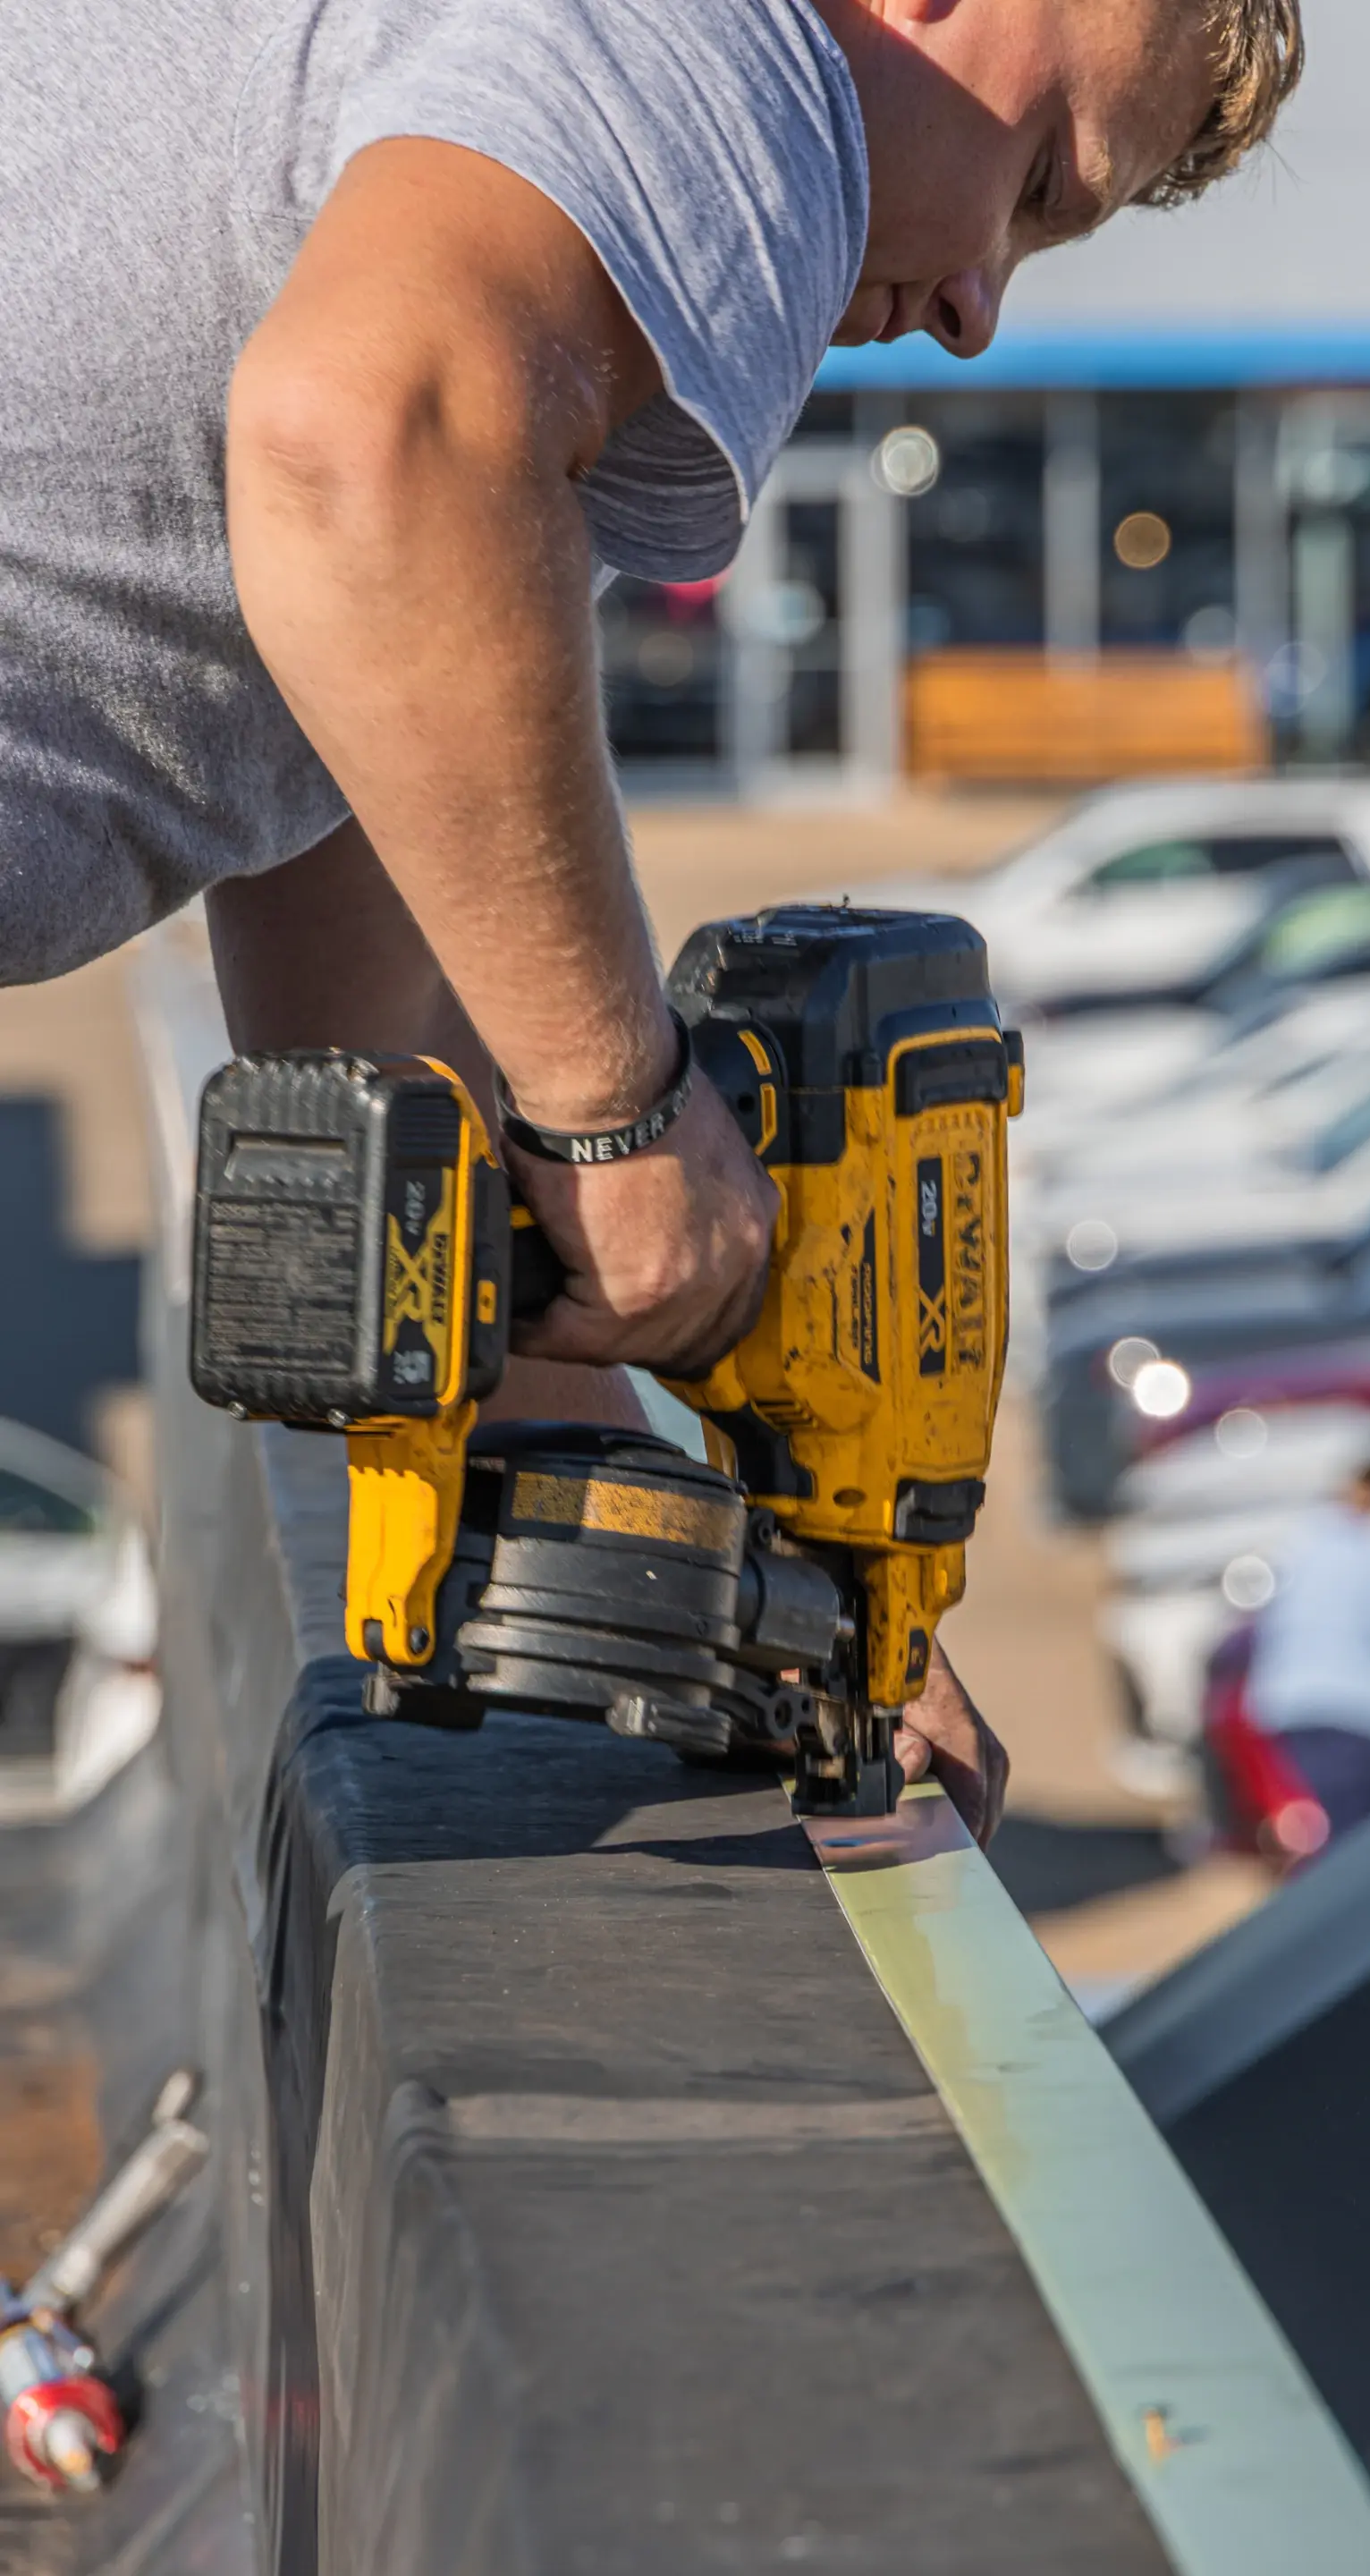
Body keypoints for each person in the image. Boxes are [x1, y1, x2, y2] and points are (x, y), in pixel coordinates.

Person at [3, 0, 1301, 1842]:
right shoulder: (737, 62)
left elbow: (371, 821)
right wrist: (621, 1113)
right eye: (1035, 180)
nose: (978, 305)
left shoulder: (526, 133)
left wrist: (731, 1587)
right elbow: (373, 440)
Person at [1247, 1462, 1370, 1845]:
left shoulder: (1302, 1545)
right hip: (1365, 1715)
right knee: (1365, 1841)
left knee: (1342, 1829)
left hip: (1298, 1708)